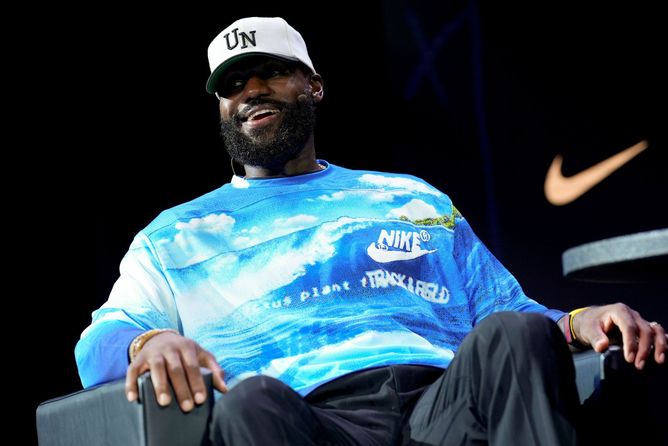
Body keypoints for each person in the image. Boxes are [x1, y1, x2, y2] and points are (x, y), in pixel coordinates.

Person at [81, 16, 666, 445]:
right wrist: (147, 342)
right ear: (220, 109)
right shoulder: (175, 236)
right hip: (306, 421)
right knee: (249, 402)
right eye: (233, 84)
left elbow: (507, 311)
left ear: (314, 86)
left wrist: (578, 320)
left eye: (272, 72)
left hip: (444, 405)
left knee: (515, 333)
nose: (251, 90)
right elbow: (98, 343)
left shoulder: (411, 197)